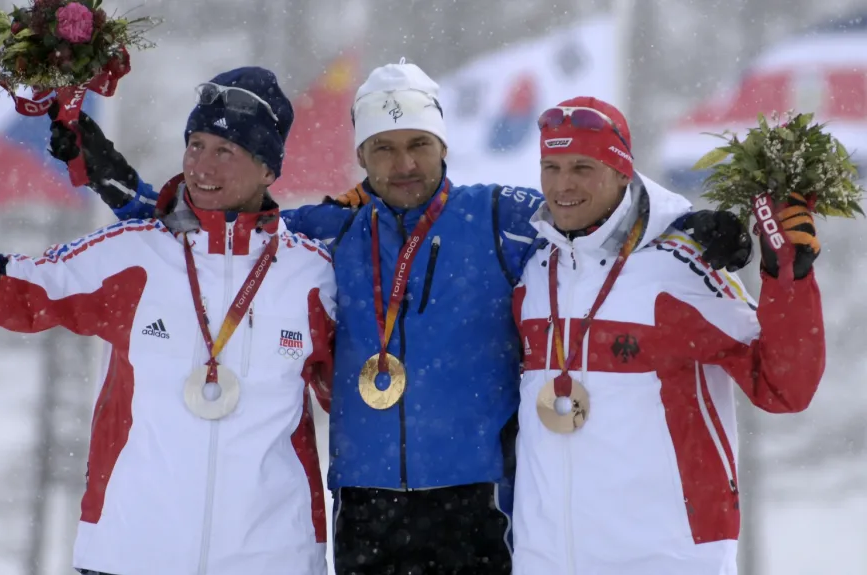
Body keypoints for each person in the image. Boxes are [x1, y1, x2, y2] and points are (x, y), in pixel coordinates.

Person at [49, 62, 753, 575]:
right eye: (383, 148)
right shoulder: (329, 230)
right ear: (361, 158)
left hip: (478, 500)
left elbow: (601, 199)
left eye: (418, 143)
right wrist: (123, 191)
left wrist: (694, 223)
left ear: (444, 145)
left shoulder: (500, 214)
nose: (404, 162)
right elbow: (218, 228)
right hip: (366, 500)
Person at [0, 67, 337, 575]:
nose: (203, 165)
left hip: (272, 559)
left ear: (269, 169)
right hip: (130, 552)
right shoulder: (133, 257)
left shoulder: (313, 277)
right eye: (197, 144)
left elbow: (363, 397)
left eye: (226, 150)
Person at [510, 96, 825, 575]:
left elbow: (783, 386)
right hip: (545, 560)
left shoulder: (677, 268)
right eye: (550, 167)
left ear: (621, 173)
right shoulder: (534, 272)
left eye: (582, 166)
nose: (562, 184)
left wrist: (789, 277)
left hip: (665, 558)